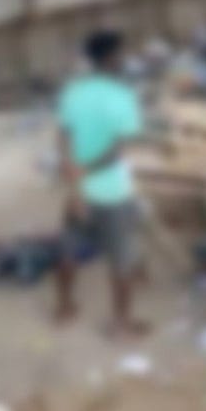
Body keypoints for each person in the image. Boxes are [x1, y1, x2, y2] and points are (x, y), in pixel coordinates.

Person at [55, 30, 148, 336]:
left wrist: (73, 176)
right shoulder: (123, 97)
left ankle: (64, 307)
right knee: (120, 260)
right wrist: (87, 170)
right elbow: (118, 149)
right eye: (122, 53)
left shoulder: (72, 92)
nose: (125, 59)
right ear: (110, 58)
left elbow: (64, 137)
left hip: (77, 192)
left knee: (68, 250)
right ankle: (121, 323)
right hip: (112, 192)